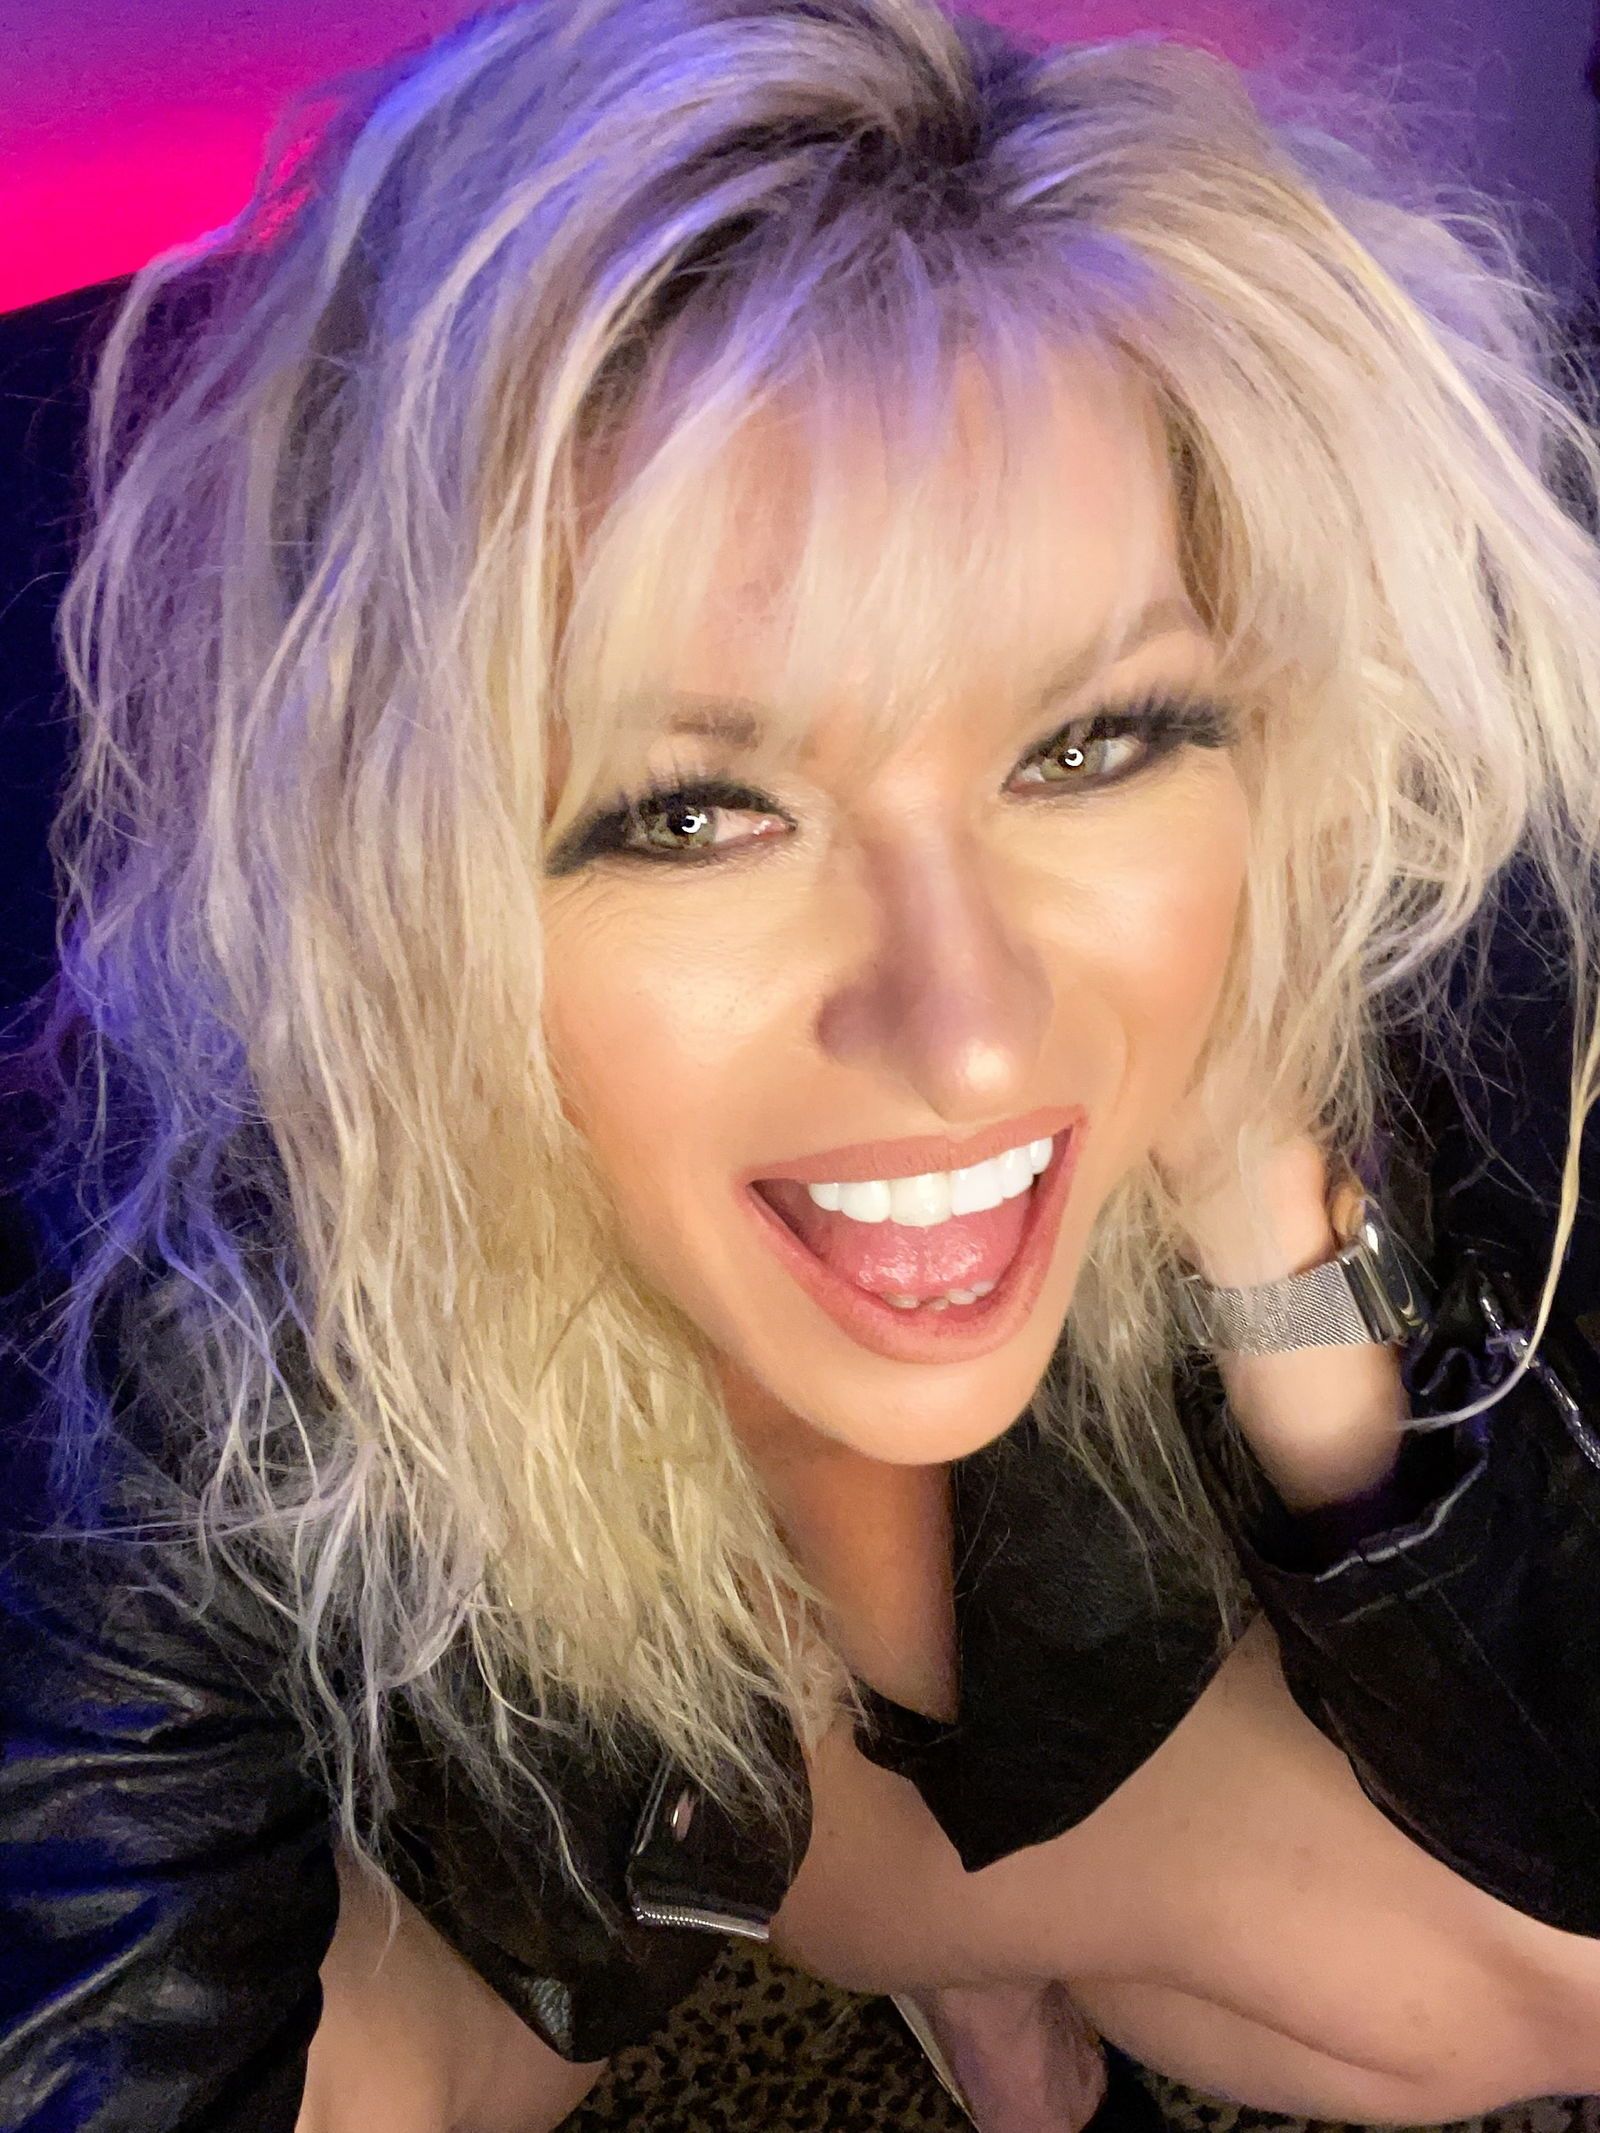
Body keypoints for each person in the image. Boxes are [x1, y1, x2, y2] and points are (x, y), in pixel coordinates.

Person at [5, 0, 1600, 2127]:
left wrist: (1271, 1231)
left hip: (934, 1772)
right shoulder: (192, 1299)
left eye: (1089, 740)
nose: (967, 1024)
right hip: (546, 1870)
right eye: (691, 811)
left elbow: (1552, 1794)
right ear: (397, 869)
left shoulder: (1359, 922)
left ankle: (982, 1947)